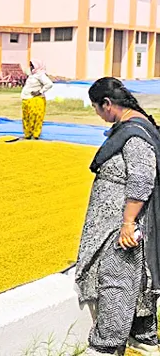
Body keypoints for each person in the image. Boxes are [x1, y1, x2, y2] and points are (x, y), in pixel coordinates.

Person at [77, 78, 160, 356]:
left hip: (123, 224)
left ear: (108, 104)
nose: (97, 114)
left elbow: (141, 179)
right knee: (135, 278)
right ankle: (143, 335)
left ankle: (106, 345)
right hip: (123, 221)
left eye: (96, 108)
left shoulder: (135, 134)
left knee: (117, 278)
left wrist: (127, 223)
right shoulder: (133, 126)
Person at [21, 59, 54, 140]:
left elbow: (49, 84)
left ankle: (35, 134)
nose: (31, 67)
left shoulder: (40, 75)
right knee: (26, 118)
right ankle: (27, 134)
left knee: (35, 118)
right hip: (26, 98)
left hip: (35, 100)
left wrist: (40, 91)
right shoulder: (32, 75)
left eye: (32, 65)